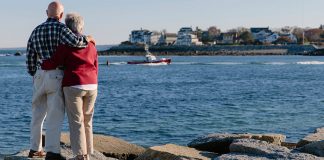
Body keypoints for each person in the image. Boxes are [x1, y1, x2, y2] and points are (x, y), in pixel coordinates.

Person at [26, 1, 95, 160]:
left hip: (39, 75)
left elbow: (30, 55)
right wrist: (89, 38)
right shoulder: (62, 28)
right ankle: (52, 151)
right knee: (54, 115)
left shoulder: (35, 31)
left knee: (37, 114)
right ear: (61, 15)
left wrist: (34, 73)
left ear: (46, 12)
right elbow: (77, 42)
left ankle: (34, 149)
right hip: (56, 75)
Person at [41, 13, 98, 160]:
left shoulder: (66, 45)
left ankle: (81, 156)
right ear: (81, 25)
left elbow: (54, 62)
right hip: (92, 84)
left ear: (67, 27)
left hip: (74, 84)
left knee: (76, 120)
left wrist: (42, 64)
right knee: (87, 120)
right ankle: (89, 153)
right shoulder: (91, 44)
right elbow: (95, 65)